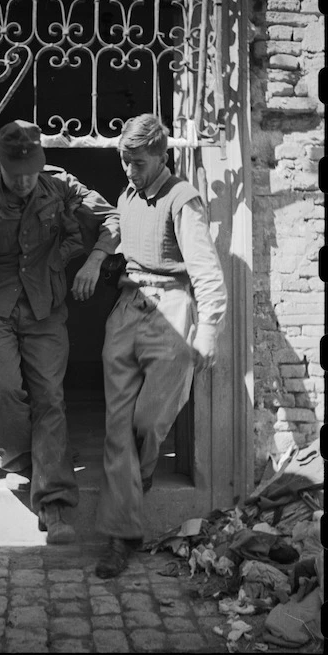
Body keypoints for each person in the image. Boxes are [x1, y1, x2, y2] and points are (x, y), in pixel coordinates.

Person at [0, 119, 120, 544]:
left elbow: (110, 217)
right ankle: (21, 460)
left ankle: (55, 507)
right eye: (15, 173)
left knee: (50, 398)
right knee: (2, 391)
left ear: (42, 161)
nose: (23, 182)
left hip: (45, 306)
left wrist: (93, 261)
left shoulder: (60, 187)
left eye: (31, 171)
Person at [83, 113, 228, 577]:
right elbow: (117, 229)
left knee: (148, 420)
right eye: (125, 161)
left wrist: (207, 335)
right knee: (117, 427)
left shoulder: (182, 198)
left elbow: (206, 271)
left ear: (161, 156)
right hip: (127, 306)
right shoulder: (129, 194)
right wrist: (97, 256)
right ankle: (122, 535)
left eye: (138, 162)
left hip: (169, 308)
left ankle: (139, 476)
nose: (129, 170)